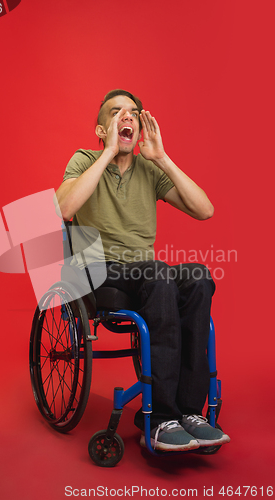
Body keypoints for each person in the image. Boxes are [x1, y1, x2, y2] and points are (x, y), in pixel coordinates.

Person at [55, 89, 230, 452]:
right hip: (99, 271)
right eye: (116, 112)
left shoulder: (149, 170)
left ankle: (189, 412)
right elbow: (64, 207)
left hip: (146, 272)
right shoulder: (84, 159)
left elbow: (205, 209)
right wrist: (105, 154)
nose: (127, 117)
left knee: (198, 276)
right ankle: (160, 418)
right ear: (101, 128)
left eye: (133, 112)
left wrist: (162, 158)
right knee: (158, 273)